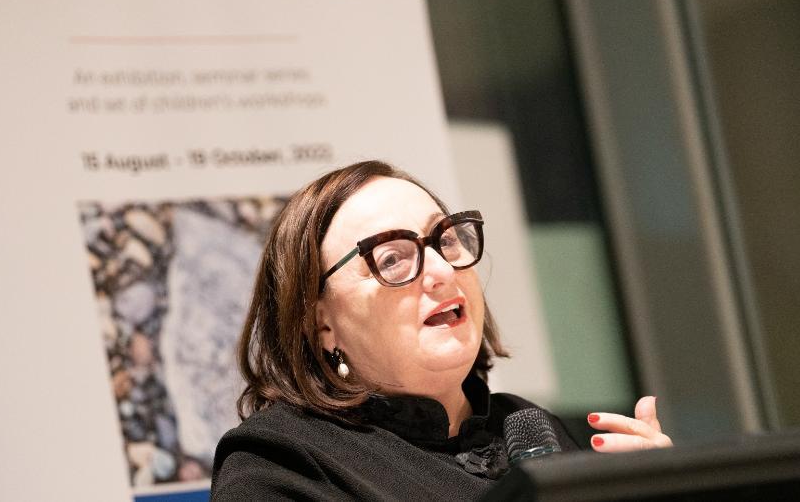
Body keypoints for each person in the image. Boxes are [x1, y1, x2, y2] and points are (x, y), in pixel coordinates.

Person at [211, 160, 672, 500]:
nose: (441, 270)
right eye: (391, 258)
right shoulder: (280, 462)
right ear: (321, 324)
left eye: (445, 240)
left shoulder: (532, 429)